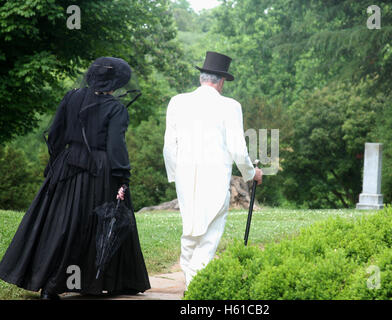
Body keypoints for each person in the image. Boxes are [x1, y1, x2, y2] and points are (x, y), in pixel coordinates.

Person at [0, 57, 150, 299]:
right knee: (99, 223)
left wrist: (55, 167)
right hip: (100, 171)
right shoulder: (115, 108)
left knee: (62, 224)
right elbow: (116, 148)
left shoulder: (72, 97)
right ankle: (97, 280)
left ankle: (52, 284)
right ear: (116, 81)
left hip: (68, 164)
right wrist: (123, 179)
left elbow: (56, 133)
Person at [163, 51, 263, 290]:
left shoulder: (177, 101)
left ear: (202, 78)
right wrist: (251, 174)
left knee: (190, 230)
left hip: (185, 176)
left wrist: (176, 175)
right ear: (220, 81)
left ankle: (189, 281)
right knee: (209, 234)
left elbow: (169, 146)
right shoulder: (230, 106)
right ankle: (195, 287)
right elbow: (238, 149)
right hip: (215, 177)